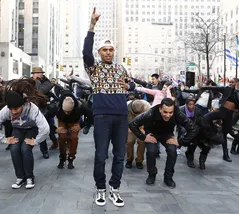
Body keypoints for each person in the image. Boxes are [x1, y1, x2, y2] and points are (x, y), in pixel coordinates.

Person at [82, 7, 135, 207]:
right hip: (102, 117)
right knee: (101, 155)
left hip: (121, 117)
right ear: (100, 52)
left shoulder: (120, 68)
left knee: (120, 155)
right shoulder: (93, 69)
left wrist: (129, 85)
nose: (108, 52)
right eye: (105, 50)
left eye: (111, 49)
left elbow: (131, 84)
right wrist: (92, 25)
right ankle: (101, 189)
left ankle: (115, 188)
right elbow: (86, 51)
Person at [129, 98, 196, 188]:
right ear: (160, 109)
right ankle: (152, 174)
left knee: (172, 150)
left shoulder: (177, 113)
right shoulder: (150, 113)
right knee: (151, 151)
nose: (168, 115)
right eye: (165, 112)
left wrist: (180, 141)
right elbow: (132, 124)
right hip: (152, 133)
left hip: (167, 134)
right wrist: (144, 137)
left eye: (170, 112)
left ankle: (168, 177)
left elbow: (192, 128)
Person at [0, 91, 50, 189]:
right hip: (18, 129)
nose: (13, 112)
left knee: (25, 149)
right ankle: (20, 177)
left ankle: (30, 177)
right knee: (14, 149)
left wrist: (36, 141)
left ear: (22, 105)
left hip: (31, 129)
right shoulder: (6, 110)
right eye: (11, 109)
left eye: (16, 109)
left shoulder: (32, 108)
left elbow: (45, 128)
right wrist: (4, 139)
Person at [197, 78, 239, 162]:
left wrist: (237, 89)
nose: (230, 83)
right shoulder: (226, 89)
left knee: (224, 135)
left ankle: (225, 155)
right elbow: (214, 88)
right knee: (206, 117)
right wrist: (203, 87)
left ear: (237, 83)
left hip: (229, 115)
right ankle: (213, 131)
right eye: (230, 82)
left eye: (232, 82)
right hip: (222, 111)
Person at [47, 91, 92, 169]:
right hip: (62, 120)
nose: (67, 113)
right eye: (65, 111)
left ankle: (71, 158)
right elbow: (45, 118)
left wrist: (81, 126)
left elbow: (91, 115)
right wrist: (55, 129)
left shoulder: (80, 106)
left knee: (74, 138)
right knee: (62, 137)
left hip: (75, 121)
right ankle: (62, 158)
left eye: (69, 111)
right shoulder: (56, 107)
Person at [179, 98, 211, 169]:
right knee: (192, 144)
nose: (192, 106)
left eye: (193, 104)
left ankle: (202, 161)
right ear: (187, 105)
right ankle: (190, 160)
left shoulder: (197, 111)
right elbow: (180, 123)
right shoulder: (181, 110)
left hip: (199, 129)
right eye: (190, 104)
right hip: (188, 128)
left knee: (207, 145)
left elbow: (202, 120)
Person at [31, 67, 54, 159]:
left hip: (43, 109)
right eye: (35, 73)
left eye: (39, 73)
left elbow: (40, 91)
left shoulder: (47, 83)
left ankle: (45, 149)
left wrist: (36, 81)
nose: (37, 74)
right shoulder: (30, 81)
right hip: (32, 108)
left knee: (46, 129)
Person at [126, 99, 150, 169]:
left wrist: (144, 128)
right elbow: (124, 118)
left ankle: (139, 161)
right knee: (129, 142)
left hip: (142, 125)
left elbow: (148, 120)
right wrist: (128, 127)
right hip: (130, 125)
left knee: (142, 141)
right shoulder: (127, 105)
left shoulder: (147, 106)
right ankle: (129, 160)